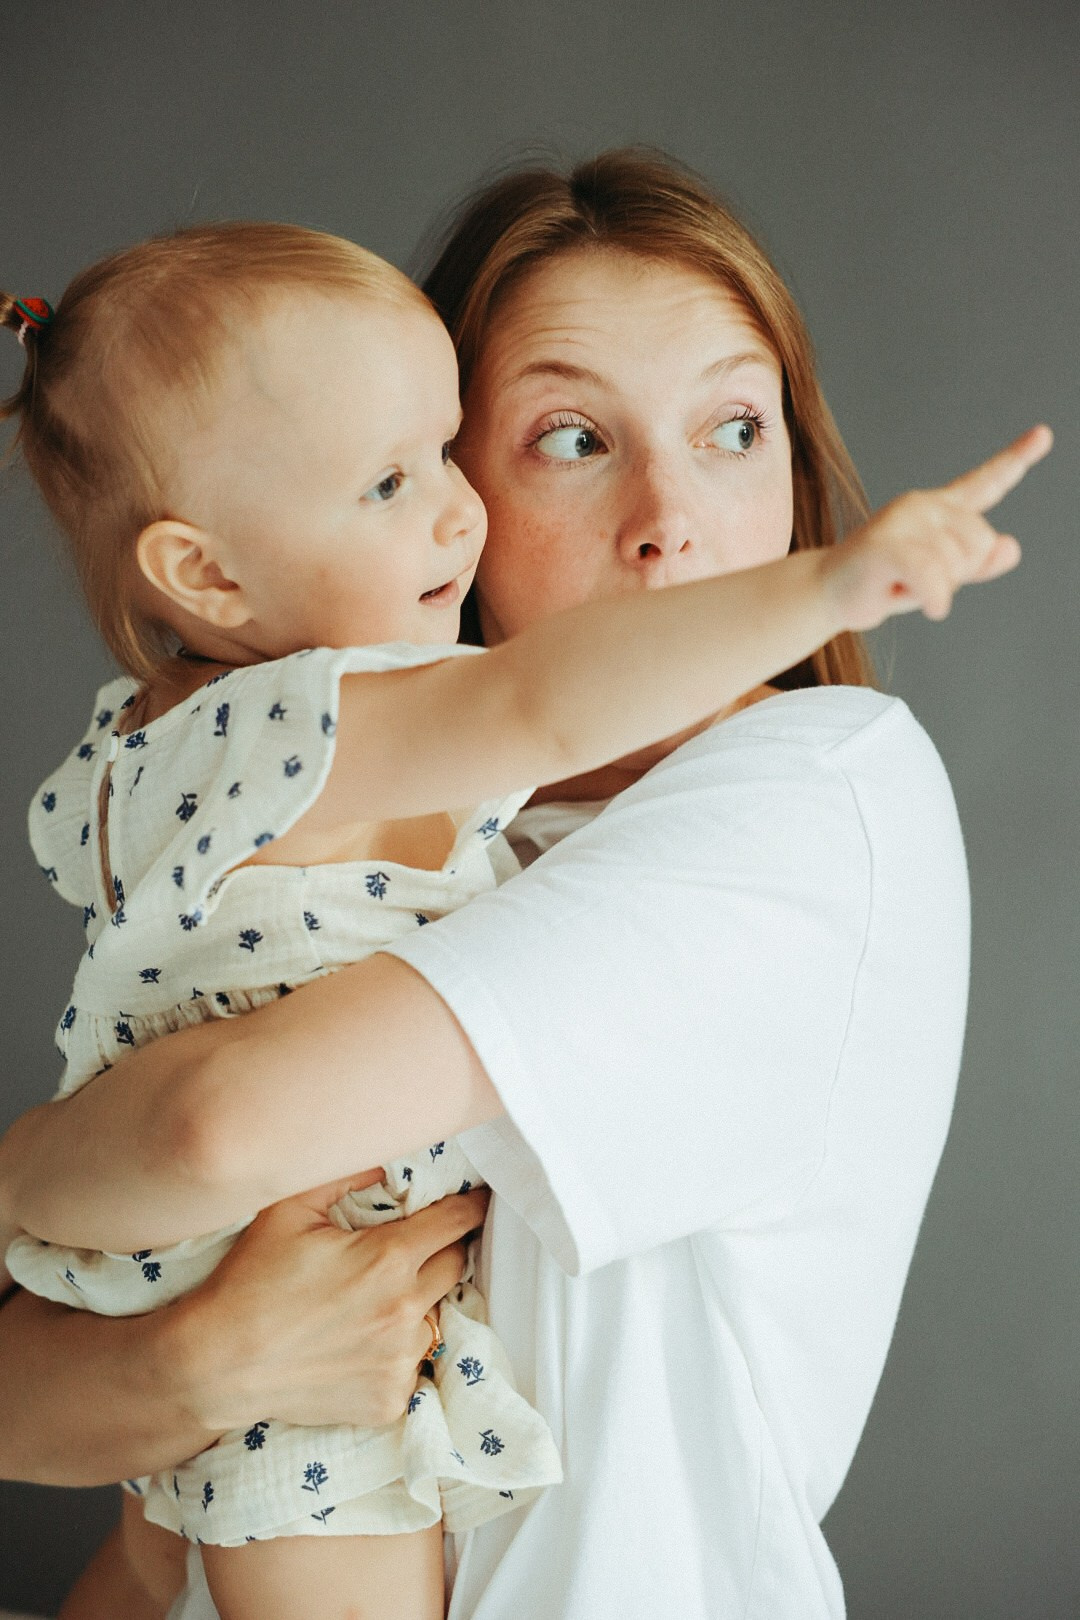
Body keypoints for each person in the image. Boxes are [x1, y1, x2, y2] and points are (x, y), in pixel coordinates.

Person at [0, 151, 1050, 1620]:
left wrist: (58, 1211)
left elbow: (206, 1120)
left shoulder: (818, 789)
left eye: (736, 428)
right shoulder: (383, 788)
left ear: (802, 475)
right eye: (569, 438)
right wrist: (188, 1366)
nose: (669, 519)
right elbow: (50, 1433)